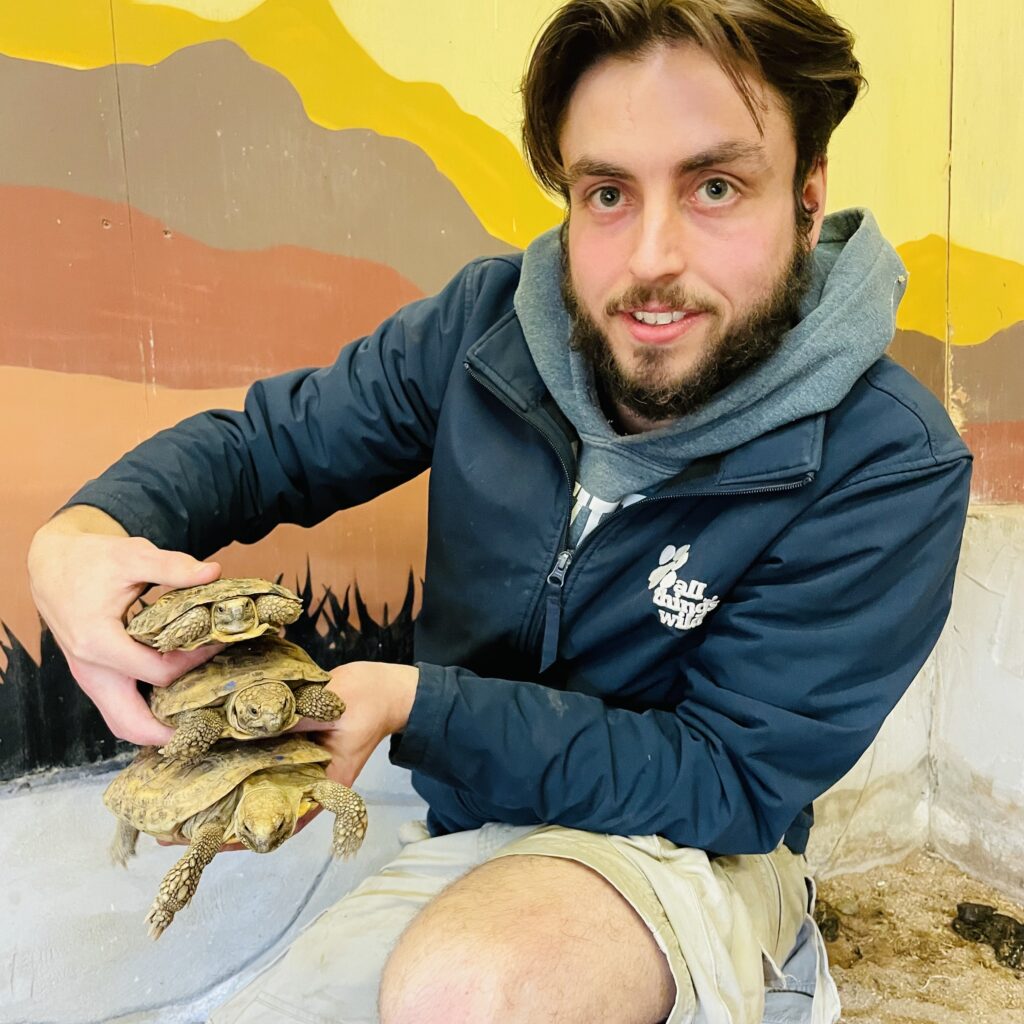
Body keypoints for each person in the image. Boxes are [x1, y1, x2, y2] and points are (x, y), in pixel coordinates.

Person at [28, 1, 971, 1021]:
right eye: (606, 193)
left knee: (473, 989)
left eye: (714, 186)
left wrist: (416, 705)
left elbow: (728, 776)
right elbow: (270, 448)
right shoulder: (486, 326)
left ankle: (771, 965)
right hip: (468, 819)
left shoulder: (889, 460)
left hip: (691, 847)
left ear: (804, 195)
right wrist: (83, 532)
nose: (651, 256)